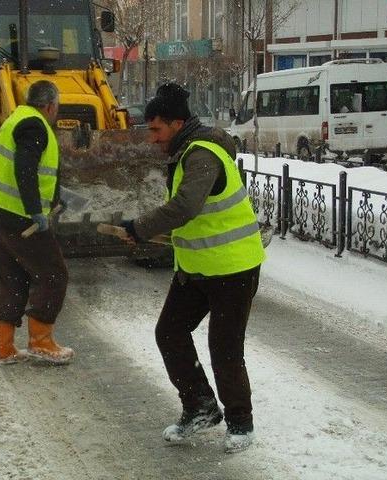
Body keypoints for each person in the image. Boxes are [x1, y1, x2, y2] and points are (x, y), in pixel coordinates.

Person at [120, 83, 266, 453]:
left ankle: (241, 422)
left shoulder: (202, 155)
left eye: (157, 129)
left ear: (176, 123)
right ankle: (200, 406)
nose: (152, 138)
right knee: (170, 332)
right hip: (197, 268)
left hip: (233, 268)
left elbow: (186, 207)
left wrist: (140, 228)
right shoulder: (185, 152)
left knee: (224, 346)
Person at [0, 80, 73, 366]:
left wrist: (54, 198)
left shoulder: (16, 118)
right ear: (50, 105)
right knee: (54, 274)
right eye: (57, 106)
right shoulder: (35, 125)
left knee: (14, 279)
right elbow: (25, 168)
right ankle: (41, 342)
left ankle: (4, 347)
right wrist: (35, 211)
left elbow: (26, 169)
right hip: (20, 219)